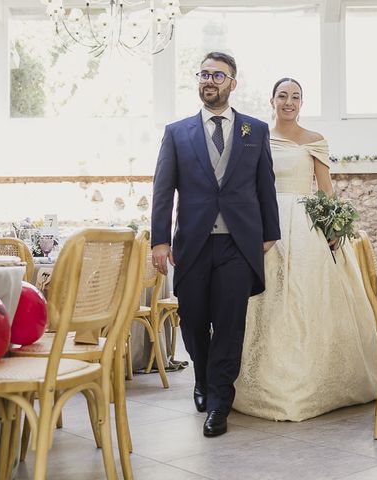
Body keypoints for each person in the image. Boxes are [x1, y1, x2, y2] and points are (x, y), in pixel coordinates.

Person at [233, 78, 377, 421]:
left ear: (302, 103)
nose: (289, 102)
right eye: (283, 96)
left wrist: (334, 227)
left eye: (296, 97)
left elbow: (326, 189)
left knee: (307, 297)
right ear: (271, 100)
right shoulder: (256, 137)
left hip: (305, 225)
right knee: (265, 298)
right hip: (267, 224)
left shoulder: (315, 141)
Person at [151, 52, 281, 437]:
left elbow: (265, 185)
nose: (210, 80)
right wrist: (159, 239)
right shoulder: (177, 133)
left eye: (218, 75)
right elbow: (163, 190)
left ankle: (220, 402)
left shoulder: (254, 131)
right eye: (204, 74)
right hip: (192, 243)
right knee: (192, 321)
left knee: (229, 324)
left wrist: (269, 231)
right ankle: (202, 379)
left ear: (232, 83)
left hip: (238, 244)